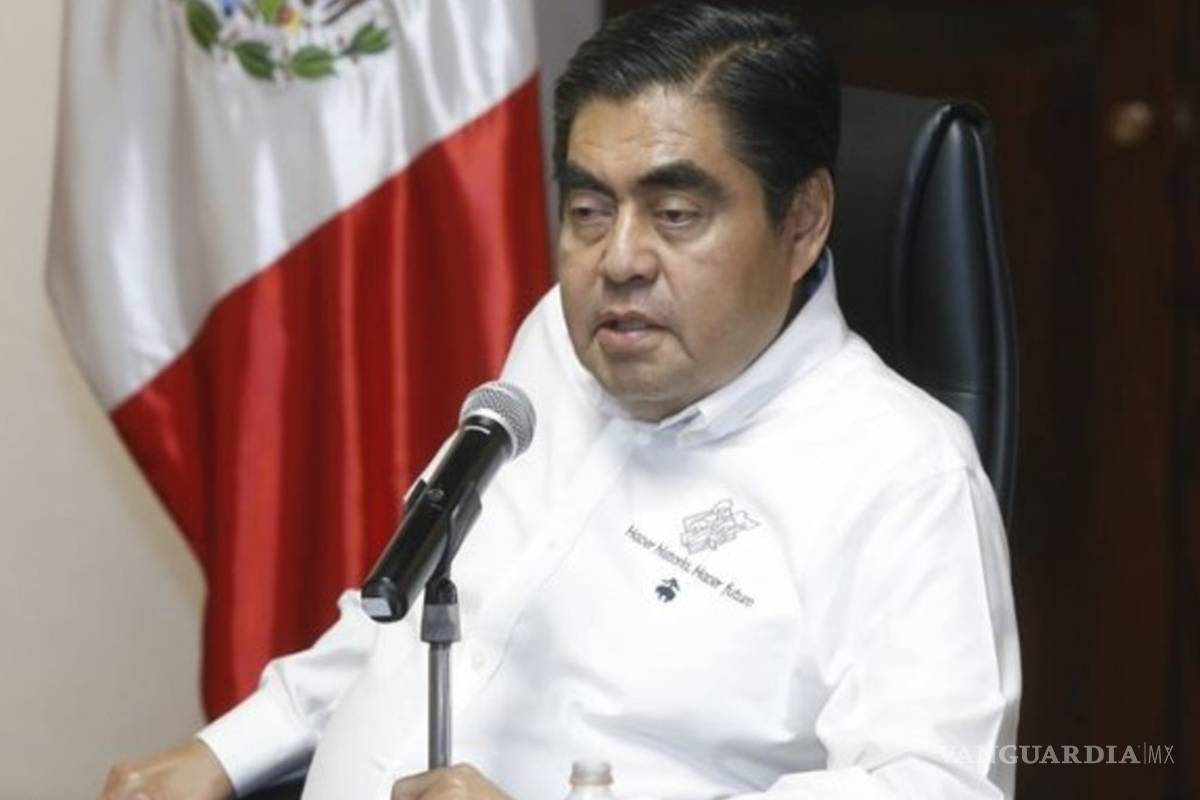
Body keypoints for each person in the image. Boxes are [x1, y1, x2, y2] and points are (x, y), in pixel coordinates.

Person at [101, 3, 1020, 799]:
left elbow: (932, 783)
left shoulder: (904, 475)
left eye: (675, 214)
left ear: (805, 221)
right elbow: (416, 609)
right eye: (588, 211)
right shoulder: (561, 336)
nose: (617, 261)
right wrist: (228, 750)